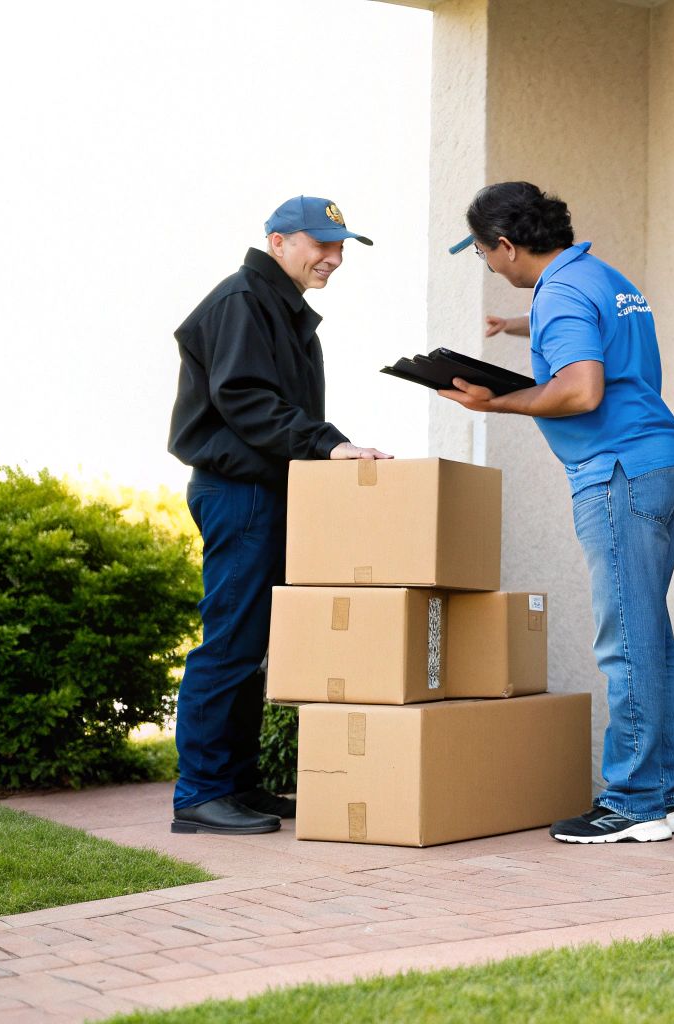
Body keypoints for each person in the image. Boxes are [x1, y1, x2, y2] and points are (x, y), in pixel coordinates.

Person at [438, 181, 674, 844]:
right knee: (649, 634)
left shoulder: (558, 293)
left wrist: (495, 403)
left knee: (626, 639)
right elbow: (588, 332)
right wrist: (513, 326)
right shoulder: (600, 277)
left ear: (507, 244)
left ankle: (634, 801)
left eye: (484, 255)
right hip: (663, 462)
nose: (491, 268)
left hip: (616, 473)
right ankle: (665, 794)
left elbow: (581, 389)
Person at [166, 196, 390, 835]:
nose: (334, 258)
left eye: (342, 246)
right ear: (278, 242)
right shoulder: (243, 301)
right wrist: (329, 444)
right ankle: (201, 795)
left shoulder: (278, 308)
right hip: (240, 493)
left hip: (265, 491)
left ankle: (233, 785)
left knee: (254, 646)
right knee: (230, 642)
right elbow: (243, 398)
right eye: (322, 244)